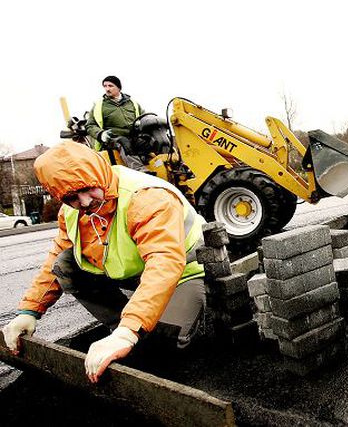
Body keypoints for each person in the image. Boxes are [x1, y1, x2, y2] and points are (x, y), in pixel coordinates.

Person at [0, 141, 206, 383]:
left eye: (88, 189)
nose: (85, 202)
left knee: (170, 341)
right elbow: (57, 257)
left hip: (182, 272)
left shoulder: (146, 198)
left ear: (100, 174)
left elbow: (164, 262)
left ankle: (130, 330)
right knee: (66, 264)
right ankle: (121, 328)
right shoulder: (71, 211)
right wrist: (29, 311)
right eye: (71, 197)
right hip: (134, 272)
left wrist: (129, 332)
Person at [85, 76, 144, 151]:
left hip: (134, 137)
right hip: (113, 140)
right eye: (105, 86)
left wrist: (141, 123)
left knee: (150, 143)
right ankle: (136, 163)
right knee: (125, 145)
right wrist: (101, 134)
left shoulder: (133, 103)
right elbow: (90, 125)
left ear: (119, 88)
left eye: (110, 86)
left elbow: (144, 118)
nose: (107, 89)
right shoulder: (99, 106)